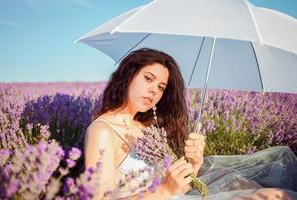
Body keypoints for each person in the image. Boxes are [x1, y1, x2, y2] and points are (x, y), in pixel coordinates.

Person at [85, 48, 297, 200]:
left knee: (279, 195)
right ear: (129, 75)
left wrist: (194, 163)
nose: (153, 91)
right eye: (148, 79)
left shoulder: (145, 127)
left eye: (161, 87)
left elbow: (179, 187)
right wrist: (165, 191)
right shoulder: (103, 131)